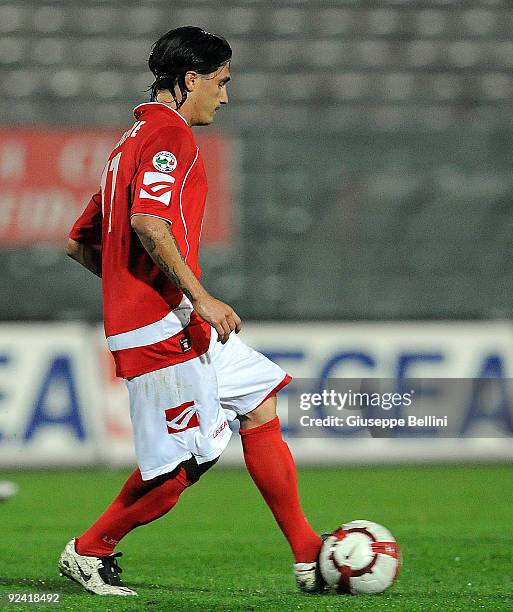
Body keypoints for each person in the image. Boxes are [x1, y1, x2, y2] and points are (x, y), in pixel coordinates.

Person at [59, 26, 322, 597]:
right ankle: (89, 550)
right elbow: (148, 222)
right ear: (190, 80)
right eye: (221, 83)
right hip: (161, 328)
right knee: (182, 469)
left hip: (170, 317)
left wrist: (133, 289)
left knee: (257, 400)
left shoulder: (127, 142)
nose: (225, 96)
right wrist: (193, 295)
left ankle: (309, 556)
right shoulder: (168, 138)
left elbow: (81, 243)